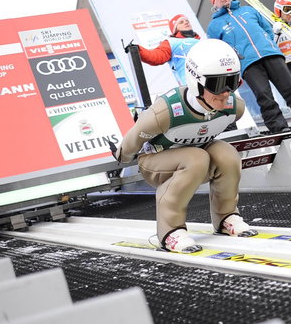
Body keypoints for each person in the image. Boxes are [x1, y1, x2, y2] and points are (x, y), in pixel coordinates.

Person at [108, 39, 257, 253]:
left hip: (196, 158)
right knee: (196, 158)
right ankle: (170, 231)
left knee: (227, 153)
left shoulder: (234, 108)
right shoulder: (166, 112)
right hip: (156, 162)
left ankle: (227, 217)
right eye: (217, 84)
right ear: (196, 81)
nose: (226, 92)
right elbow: (133, 140)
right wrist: (122, 157)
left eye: (232, 82)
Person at [206, 0, 291, 133]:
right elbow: (220, 50)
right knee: (265, 97)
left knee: (290, 90)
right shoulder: (214, 26)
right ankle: (279, 128)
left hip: (271, 54)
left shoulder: (248, 10)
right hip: (248, 64)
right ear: (213, 2)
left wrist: (268, 44)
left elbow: (267, 29)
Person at [137, 14, 201, 85]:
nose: (186, 22)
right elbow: (155, 57)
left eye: (187, 21)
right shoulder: (171, 42)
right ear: (175, 29)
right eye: (181, 22)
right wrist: (138, 49)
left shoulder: (201, 41)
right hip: (191, 85)